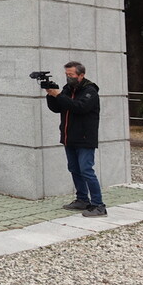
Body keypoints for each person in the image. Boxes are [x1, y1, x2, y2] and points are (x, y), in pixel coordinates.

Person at [45, 61, 107, 217]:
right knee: (74, 169)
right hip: (68, 137)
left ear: (81, 75)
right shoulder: (67, 89)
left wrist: (59, 95)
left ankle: (99, 205)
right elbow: (57, 108)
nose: (68, 77)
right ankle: (82, 200)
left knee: (86, 170)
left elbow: (79, 107)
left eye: (71, 75)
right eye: (66, 74)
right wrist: (50, 95)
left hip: (85, 138)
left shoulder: (90, 91)